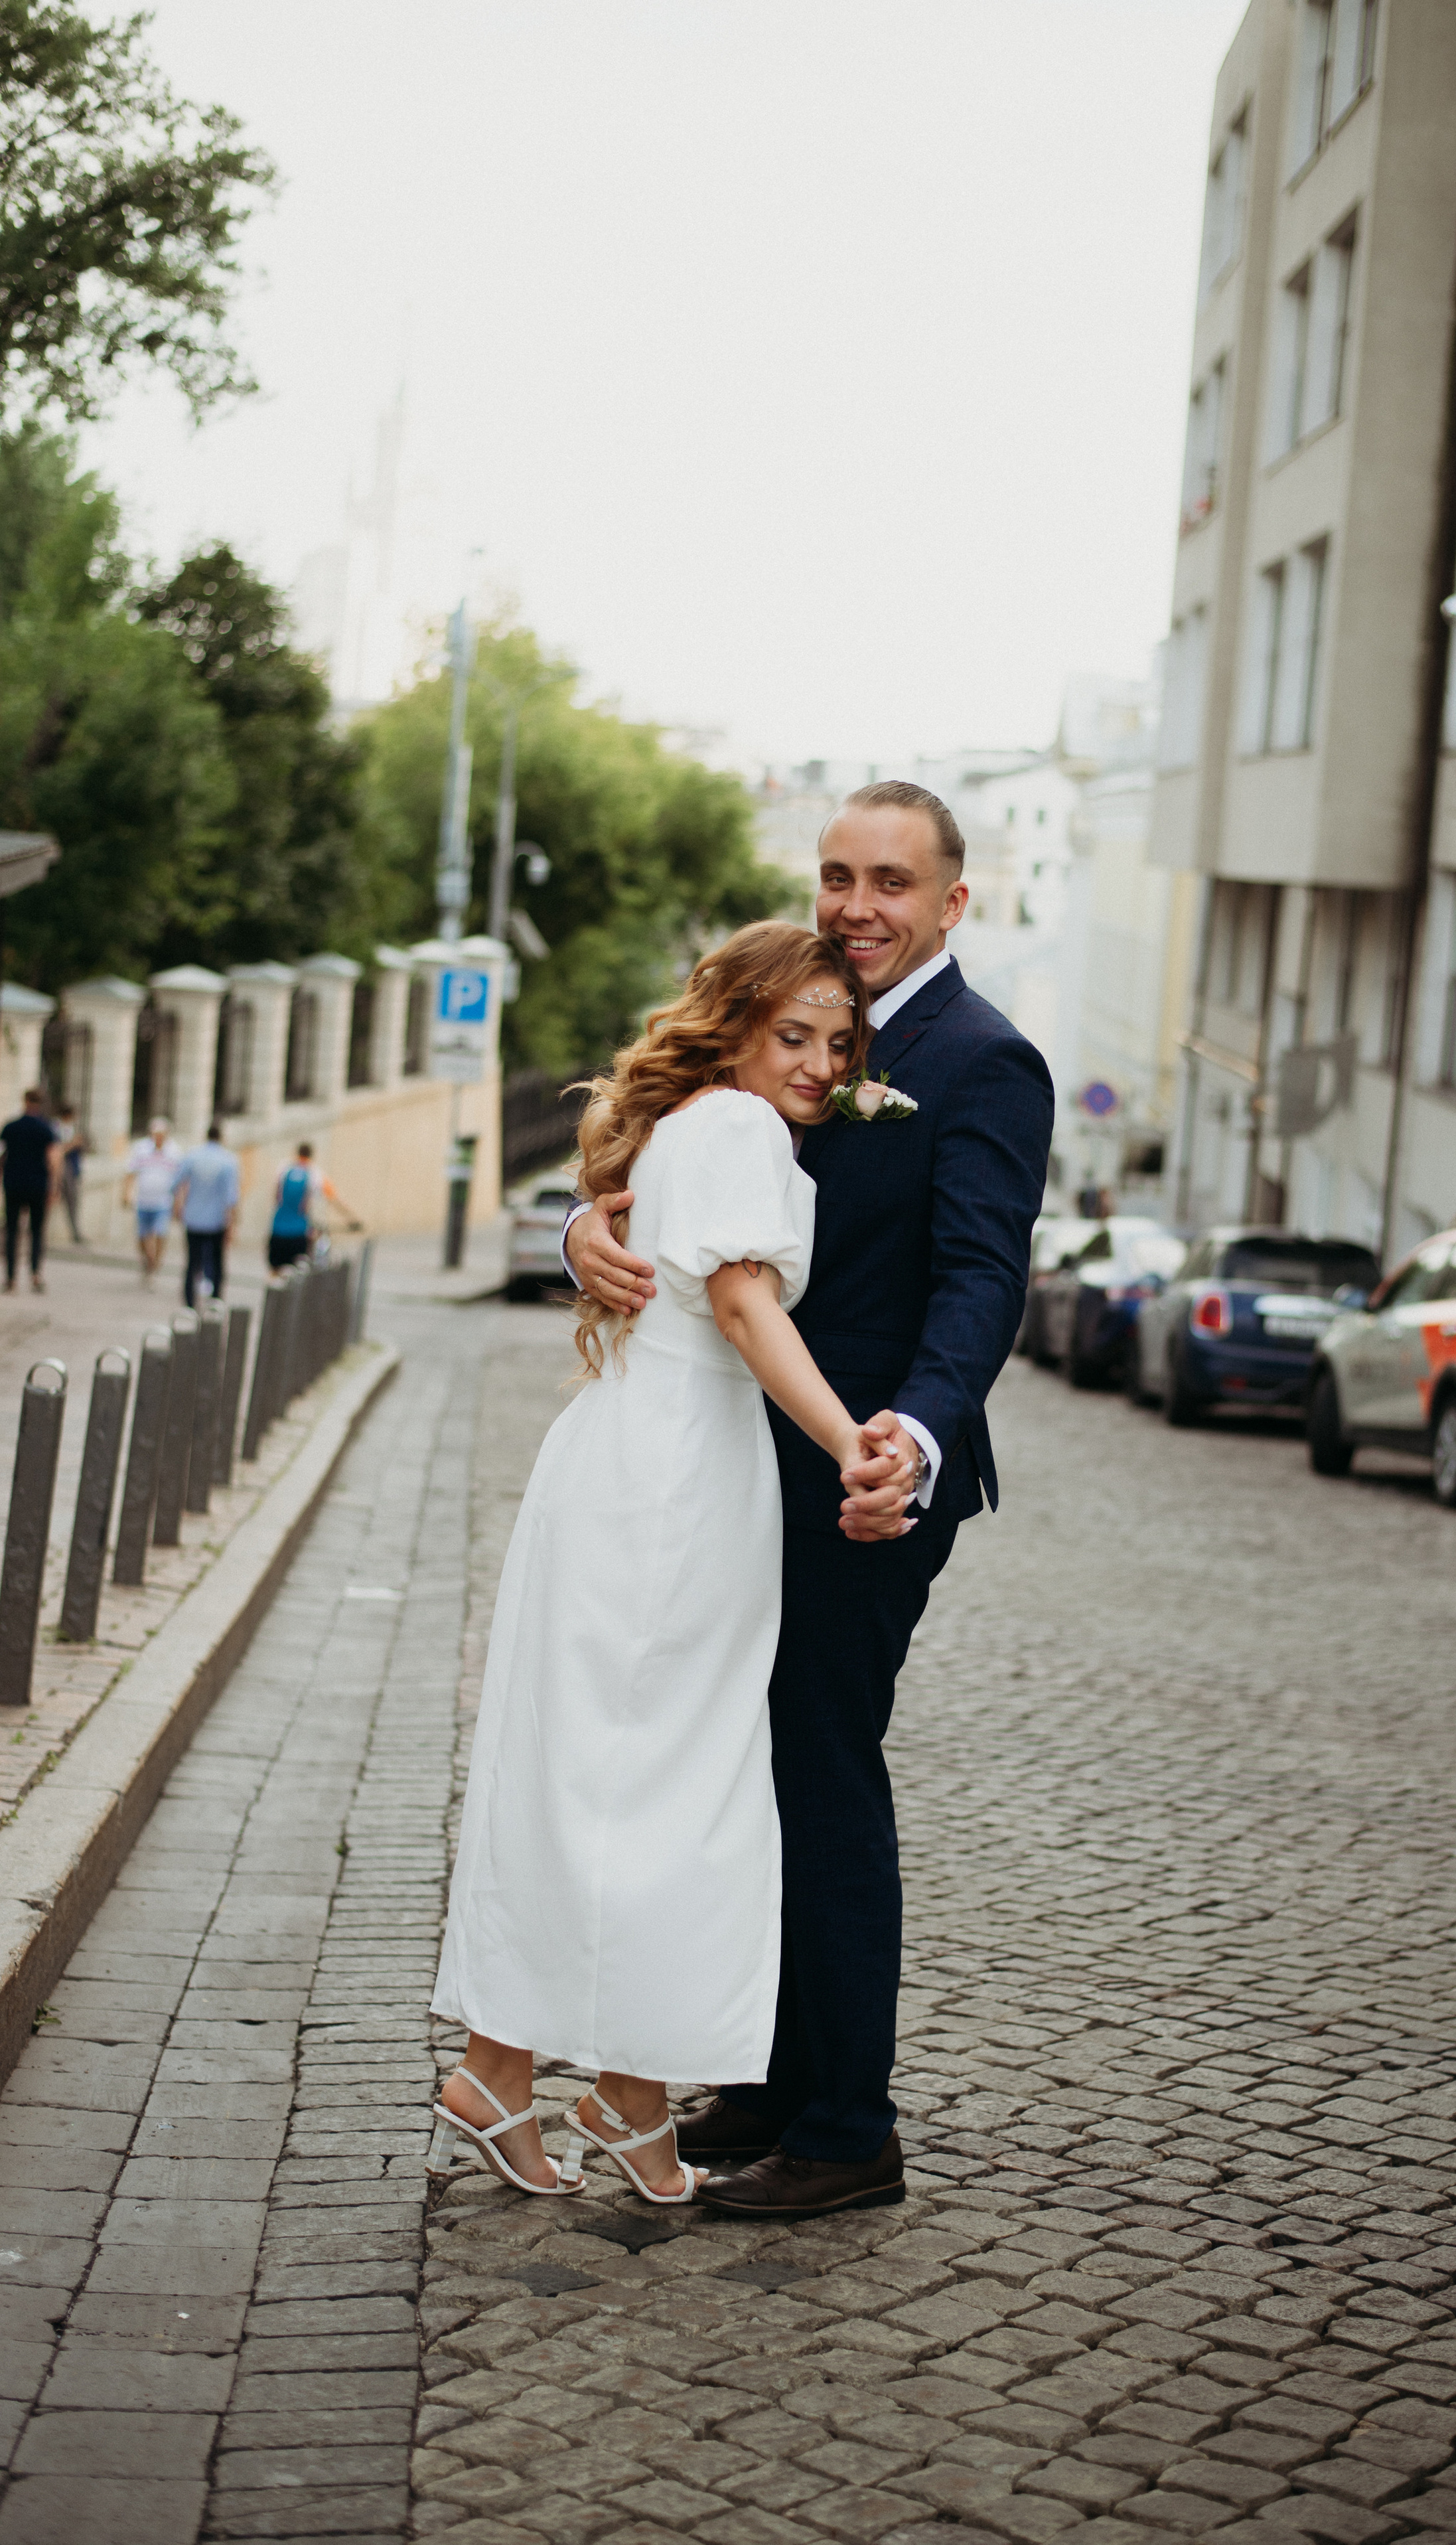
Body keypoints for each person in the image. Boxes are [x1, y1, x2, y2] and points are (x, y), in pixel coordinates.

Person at [567, 781, 1053, 2217]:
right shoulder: (794, 1016)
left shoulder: (984, 1060)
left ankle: (848, 2130)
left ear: (950, 901)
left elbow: (980, 1277)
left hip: (869, 1478)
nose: (857, 904)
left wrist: (910, 1434)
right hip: (743, 1463)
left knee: (825, 1771)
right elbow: (680, 1167)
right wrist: (585, 1224)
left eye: (891, 881)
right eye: (838, 874)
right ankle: (776, 2082)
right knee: (753, 1767)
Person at [429, 923, 910, 2203]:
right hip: (679, 1478)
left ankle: (505, 2069)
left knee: (592, 1771)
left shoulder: (686, 1122)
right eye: (793, 1034)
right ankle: (622, 2096)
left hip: (628, 1454)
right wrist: (852, 1441)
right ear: (736, 1025)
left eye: (839, 1043)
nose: (819, 1064)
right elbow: (744, 1305)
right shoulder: (739, 1125)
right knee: (675, 1789)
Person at [173, 1122, 242, 1306]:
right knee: (217, 1262)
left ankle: (190, 1302)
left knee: (192, 1262)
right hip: (216, 1220)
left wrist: (178, 1205)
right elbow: (231, 1197)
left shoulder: (193, 1156)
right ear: (221, 1137)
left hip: (193, 1217)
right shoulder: (228, 1160)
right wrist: (232, 1223)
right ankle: (215, 1301)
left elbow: (176, 1183)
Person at [1, 1089, 62, 1295]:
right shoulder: (46, 1129)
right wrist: (54, 1186)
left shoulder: (11, 1127)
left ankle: (11, 1278)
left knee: (12, 1231)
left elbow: (2, 1155)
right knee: (36, 1231)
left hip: (14, 1183)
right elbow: (53, 1159)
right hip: (38, 1185)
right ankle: (35, 1274)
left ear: (25, 1101)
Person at [267, 1142, 354, 1272]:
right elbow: (334, 1199)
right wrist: (351, 1218)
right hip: (299, 1232)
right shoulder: (314, 1173)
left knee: (275, 1273)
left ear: (297, 1153)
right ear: (311, 1155)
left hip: (278, 1230)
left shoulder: (284, 1168)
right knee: (299, 1273)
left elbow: (276, 1197)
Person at [125, 1118, 182, 1286]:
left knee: (160, 1234)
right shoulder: (141, 1149)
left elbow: (180, 1180)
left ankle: (155, 1263)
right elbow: (131, 1172)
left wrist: (178, 1202)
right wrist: (127, 1194)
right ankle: (148, 1261)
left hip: (163, 1202)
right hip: (143, 1201)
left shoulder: (174, 1152)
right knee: (142, 1236)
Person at [54, 1105, 86, 1245]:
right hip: (61, 1167)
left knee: (73, 1202)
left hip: (72, 1168)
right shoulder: (56, 1128)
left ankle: (75, 1232)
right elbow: (58, 1150)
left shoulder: (72, 1129)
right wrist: (73, 1144)